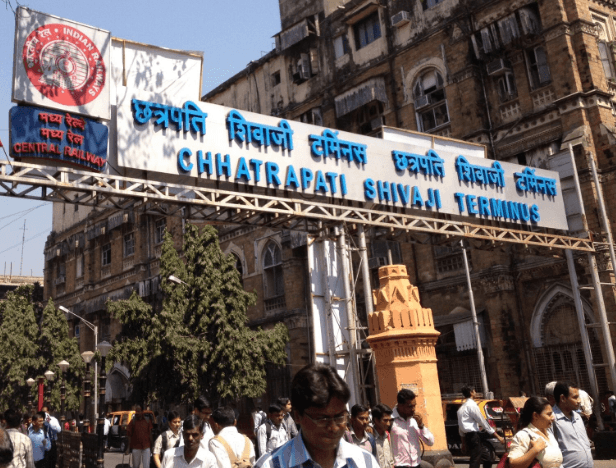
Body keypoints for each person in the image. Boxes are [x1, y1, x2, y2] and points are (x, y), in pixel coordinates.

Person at [254, 363, 379, 468]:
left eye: (340, 417)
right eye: (322, 419)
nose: (333, 427)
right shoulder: (271, 465)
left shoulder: (365, 462)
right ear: (298, 416)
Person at [457, 385, 504, 468]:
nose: (475, 392)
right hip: (473, 436)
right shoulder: (472, 406)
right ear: (471, 393)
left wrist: (463, 443)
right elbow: (483, 422)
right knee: (475, 460)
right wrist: (498, 437)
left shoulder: (461, 409)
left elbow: (461, 429)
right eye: (474, 391)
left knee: (488, 458)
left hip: (471, 437)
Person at [507, 397, 562, 468]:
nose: (553, 418)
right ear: (535, 415)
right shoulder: (523, 435)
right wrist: (535, 450)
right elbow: (512, 463)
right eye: (549, 414)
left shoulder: (549, 434)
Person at [551, 382, 592, 468]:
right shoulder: (551, 419)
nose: (579, 401)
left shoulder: (577, 417)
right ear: (563, 398)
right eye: (575, 397)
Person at [390, 389, 434, 468]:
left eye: (414, 406)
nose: (413, 409)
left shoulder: (415, 421)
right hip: (399, 465)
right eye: (410, 406)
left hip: (416, 464)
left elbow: (430, 442)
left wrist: (421, 426)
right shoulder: (390, 420)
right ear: (400, 405)